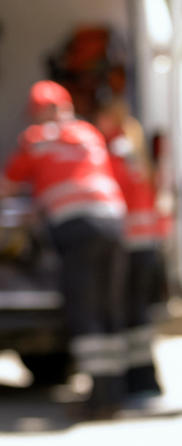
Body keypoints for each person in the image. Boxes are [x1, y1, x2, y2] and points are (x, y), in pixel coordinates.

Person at [0, 80, 128, 418]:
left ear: (46, 110)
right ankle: (113, 394)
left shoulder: (37, 139)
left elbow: (5, 188)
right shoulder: (89, 132)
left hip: (76, 229)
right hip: (114, 223)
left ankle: (98, 402)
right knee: (107, 308)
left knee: (83, 310)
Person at [96, 99, 162, 401]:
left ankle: (128, 383)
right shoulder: (135, 149)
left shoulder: (114, 151)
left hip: (127, 243)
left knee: (121, 313)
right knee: (139, 315)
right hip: (147, 242)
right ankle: (144, 379)